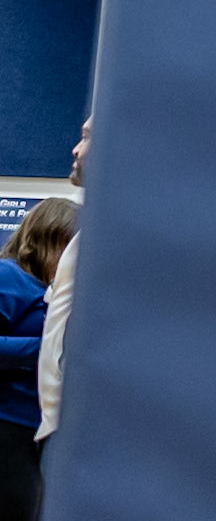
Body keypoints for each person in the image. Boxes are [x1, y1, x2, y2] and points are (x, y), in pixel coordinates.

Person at [0, 196, 78, 521]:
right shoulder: (9, 277)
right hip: (7, 422)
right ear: (50, 237)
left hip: (35, 427)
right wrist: (47, 349)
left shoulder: (55, 289)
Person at [36, 116, 90, 448]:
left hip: (82, 430)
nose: (76, 149)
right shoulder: (88, 234)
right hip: (59, 427)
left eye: (87, 137)